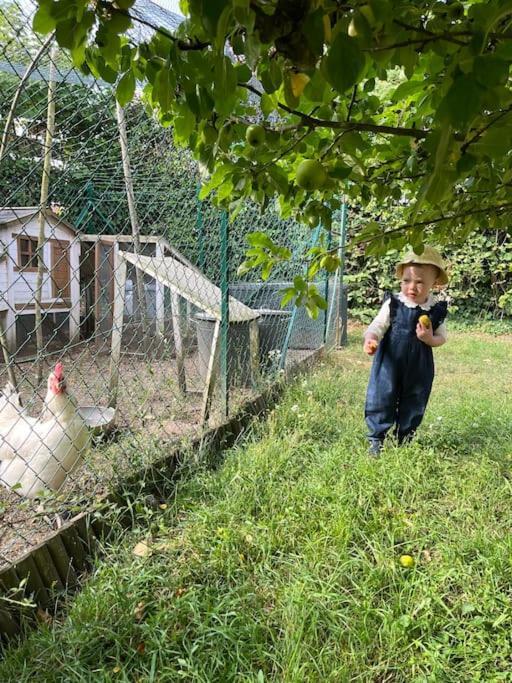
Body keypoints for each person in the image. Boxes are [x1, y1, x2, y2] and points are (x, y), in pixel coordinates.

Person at [363, 246, 449, 456]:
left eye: (420, 282)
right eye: (406, 280)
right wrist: (371, 339)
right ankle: (377, 438)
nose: (412, 287)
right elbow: (377, 326)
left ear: (434, 283)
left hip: (419, 364)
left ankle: (405, 437)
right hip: (390, 360)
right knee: (382, 396)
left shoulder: (434, 311)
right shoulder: (393, 304)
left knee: (415, 397)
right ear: (400, 279)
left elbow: (442, 338)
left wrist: (429, 339)